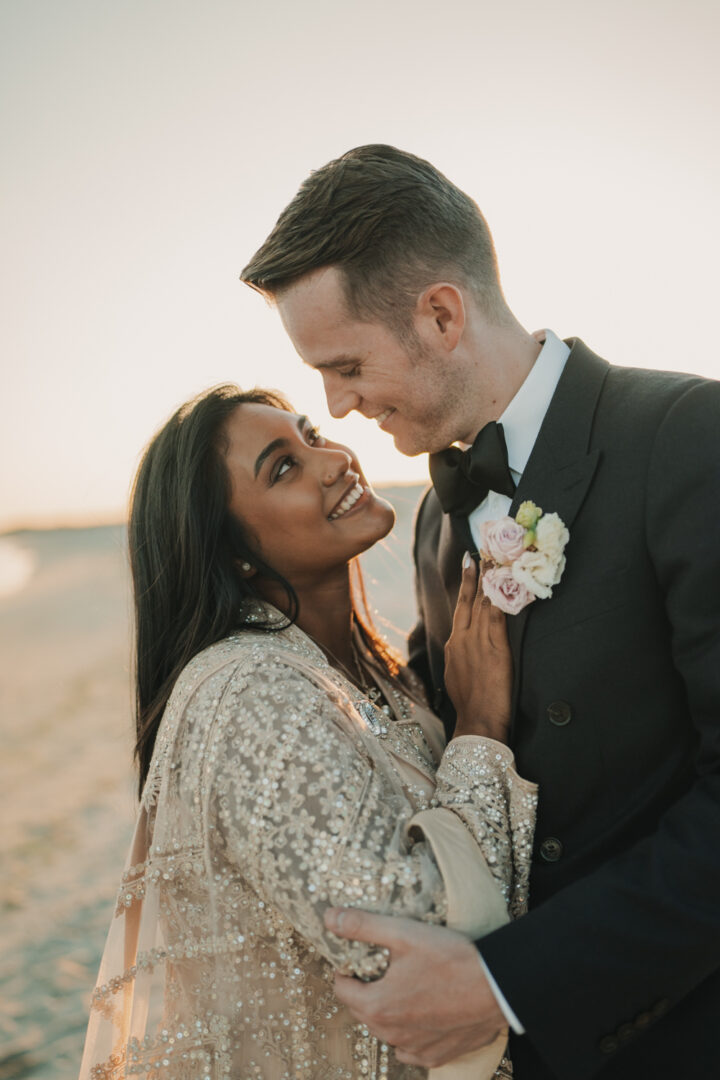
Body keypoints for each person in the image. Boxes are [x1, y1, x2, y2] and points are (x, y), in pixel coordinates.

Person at [241, 144, 720, 1079]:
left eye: (345, 366)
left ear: (441, 315)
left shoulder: (688, 440)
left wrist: (506, 984)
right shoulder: (433, 518)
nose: (335, 406)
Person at [79, 385, 538, 1080]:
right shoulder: (244, 691)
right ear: (233, 553)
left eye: (312, 436)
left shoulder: (379, 674)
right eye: (283, 467)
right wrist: (478, 728)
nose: (333, 461)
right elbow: (412, 945)